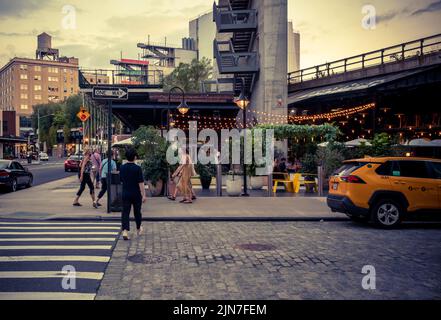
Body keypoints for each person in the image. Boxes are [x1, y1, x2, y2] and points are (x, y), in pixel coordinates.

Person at [120, 148, 147, 241]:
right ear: (135, 157)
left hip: (125, 192)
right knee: (137, 212)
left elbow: (121, 180)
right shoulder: (137, 168)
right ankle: (138, 228)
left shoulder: (122, 168)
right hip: (136, 193)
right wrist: (143, 195)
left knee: (125, 212)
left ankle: (125, 231)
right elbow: (141, 183)